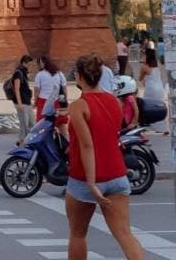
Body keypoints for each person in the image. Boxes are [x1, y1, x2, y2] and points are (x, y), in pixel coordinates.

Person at [65, 54, 143, 260]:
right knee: (125, 234)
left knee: (78, 234)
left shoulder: (78, 106)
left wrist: (92, 184)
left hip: (85, 177)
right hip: (117, 173)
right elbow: (108, 135)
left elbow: (87, 145)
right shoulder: (114, 102)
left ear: (80, 77)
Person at [139, 48, 168, 133]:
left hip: (150, 89)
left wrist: (144, 78)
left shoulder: (144, 67)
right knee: (159, 107)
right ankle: (163, 128)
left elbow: (140, 78)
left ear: (146, 56)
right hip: (159, 88)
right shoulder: (157, 63)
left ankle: (148, 124)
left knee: (149, 107)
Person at [33, 56, 67, 126]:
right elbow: (64, 88)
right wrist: (64, 100)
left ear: (43, 63)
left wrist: (35, 101)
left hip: (43, 101)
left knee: (43, 124)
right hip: (57, 101)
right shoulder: (59, 73)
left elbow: (37, 90)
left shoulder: (40, 75)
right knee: (60, 124)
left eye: (39, 63)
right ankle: (64, 137)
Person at [11, 55, 35, 143]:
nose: (30, 66)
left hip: (26, 101)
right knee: (24, 123)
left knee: (32, 123)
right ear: (24, 63)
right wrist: (19, 102)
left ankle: (28, 140)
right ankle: (22, 141)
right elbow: (17, 89)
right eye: (29, 64)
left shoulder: (24, 73)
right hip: (22, 102)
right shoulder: (18, 73)